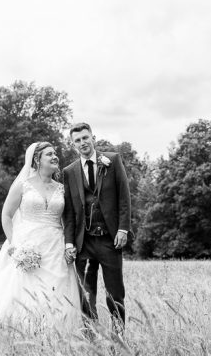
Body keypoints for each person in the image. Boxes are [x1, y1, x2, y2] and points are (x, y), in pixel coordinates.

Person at [0, 142, 81, 333]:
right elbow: (6, 215)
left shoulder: (62, 188)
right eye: (49, 154)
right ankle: (16, 330)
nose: (55, 157)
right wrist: (15, 244)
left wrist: (69, 245)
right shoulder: (23, 185)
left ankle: (53, 333)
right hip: (26, 243)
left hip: (55, 245)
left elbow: (68, 219)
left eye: (55, 153)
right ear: (37, 160)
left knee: (55, 289)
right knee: (20, 288)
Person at [61, 122, 132, 336]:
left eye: (85, 138)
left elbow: (124, 197)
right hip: (84, 243)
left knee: (115, 294)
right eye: (77, 140)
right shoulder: (69, 171)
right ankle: (91, 338)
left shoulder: (113, 160)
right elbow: (70, 211)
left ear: (93, 137)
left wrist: (123, 229)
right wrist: (70, 242)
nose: (82, 143)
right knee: (86, 295)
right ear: (73, 144)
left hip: (110, 240)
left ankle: (118, 338)